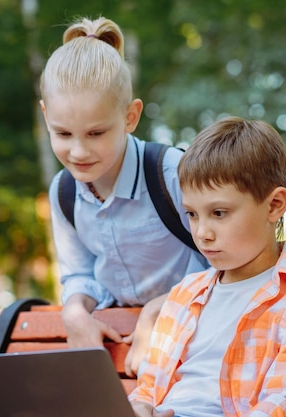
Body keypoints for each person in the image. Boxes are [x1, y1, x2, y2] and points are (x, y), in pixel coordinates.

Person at [129, 116, 286, 417]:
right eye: (192, 214)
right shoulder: (184, 295)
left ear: (274, 205)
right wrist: (139, 407)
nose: (202, 232)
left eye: (218, 213)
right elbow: (148, 390)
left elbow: (285, 400)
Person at [39, 16, 208, 376]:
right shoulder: (64, 191)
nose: (79, 151)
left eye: (96, 133)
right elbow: (80, 275)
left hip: (198, 345)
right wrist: (74, 311)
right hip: (126, 355)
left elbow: (224, 264)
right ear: (45, 115)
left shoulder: (171, 174)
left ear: (131, 116)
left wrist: (159, 309)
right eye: (63, 133)